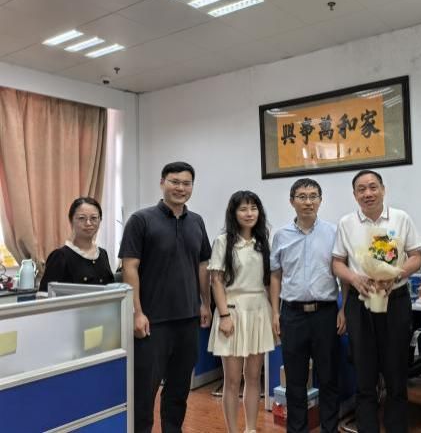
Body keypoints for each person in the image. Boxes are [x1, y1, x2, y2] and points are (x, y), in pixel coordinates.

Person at [118, 162, 212, 433]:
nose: (180, 188)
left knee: (179, 390)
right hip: (152, 322)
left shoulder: (197, 222)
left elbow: (202, 265)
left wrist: (205, 304)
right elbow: (129, 267)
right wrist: (137, 313)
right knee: (144, 391)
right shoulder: (141, 220)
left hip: (188, 320)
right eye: (175, 182)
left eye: (186, 183)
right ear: (162, 183)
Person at [332, 170, 421, 433]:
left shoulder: (401, 218)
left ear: (383, 189)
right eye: (361, 189)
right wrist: (354, 278)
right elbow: (337, 262)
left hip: (395, 301)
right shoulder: (346, 223)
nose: (368, 193)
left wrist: (396, 274)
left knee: (396, 374)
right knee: (364, 374)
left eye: (373, 187)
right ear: (354, 195)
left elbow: (416, 256)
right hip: (360, 302)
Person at [269, 178, 345, 433]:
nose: (308, 202)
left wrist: (343, 308)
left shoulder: (333, 232)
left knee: (329, 378)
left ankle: (329, 428)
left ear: (321, 200)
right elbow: (275, 275)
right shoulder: (281, 236)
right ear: (292, 201)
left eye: (313, 196)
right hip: (292, 315)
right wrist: (275, 312)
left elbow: (342, 273)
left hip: (326, 313)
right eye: (302, 196)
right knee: (295, 381)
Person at [208, 190, 275, 433]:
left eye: (253, 208)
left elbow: (269, 281)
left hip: (259, 310)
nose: (249, 213)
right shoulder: (223, 241)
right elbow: (216, 281)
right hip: (233, 312)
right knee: (233, 380)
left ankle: (251, 428)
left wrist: (274, 314)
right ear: (233, 213)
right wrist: (224, 316)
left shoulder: (263, 241)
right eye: (243, 209)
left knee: (254, 376)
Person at [39, 197, 114, 291]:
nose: (88, 223)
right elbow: (44, 295)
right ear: (71, 221)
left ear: (100, 220)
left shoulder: (103, 254)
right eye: (82, 218)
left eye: (94, 218)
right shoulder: (60, 256)